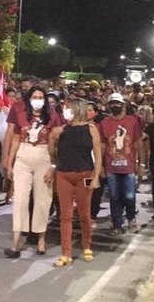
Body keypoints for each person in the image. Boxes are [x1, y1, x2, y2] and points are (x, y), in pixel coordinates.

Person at [3, 86, 60, 257]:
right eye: (34, 96)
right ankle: (15, 243)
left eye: (40, 97)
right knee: (20, 200)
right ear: (29, 98)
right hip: (23, 155)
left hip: (44, 157)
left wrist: (54, 166)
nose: (38, 99)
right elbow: (15, 138)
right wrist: (10, 162)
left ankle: (41, 239)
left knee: (43, 200)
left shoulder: (52, 116)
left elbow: (56, 144)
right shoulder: (20, 112)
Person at [49, 98, 102, 267]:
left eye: (68, 109)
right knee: (66, 216)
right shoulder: (61, 130)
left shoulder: (92, 130)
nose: (66, 111)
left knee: (84, 214)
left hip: (84, 174)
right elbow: (52, 153)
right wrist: (53, 138)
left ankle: (87, 245)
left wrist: (95, 178)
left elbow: (98, 156)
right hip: (64, 174)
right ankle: (66, 253)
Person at [100, 92, 144, 235]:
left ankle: (131, 219)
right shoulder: (104, 123)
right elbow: (102, 145)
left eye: (117, 103)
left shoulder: (132, 122)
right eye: (112, 104)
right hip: (111, 167)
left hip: (129, 167)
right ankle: (117, 224)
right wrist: (100, 166)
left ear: (123, 105)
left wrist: (141, 164)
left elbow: (138, 143)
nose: (115, 106)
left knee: (130, 196)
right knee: (114, 196)